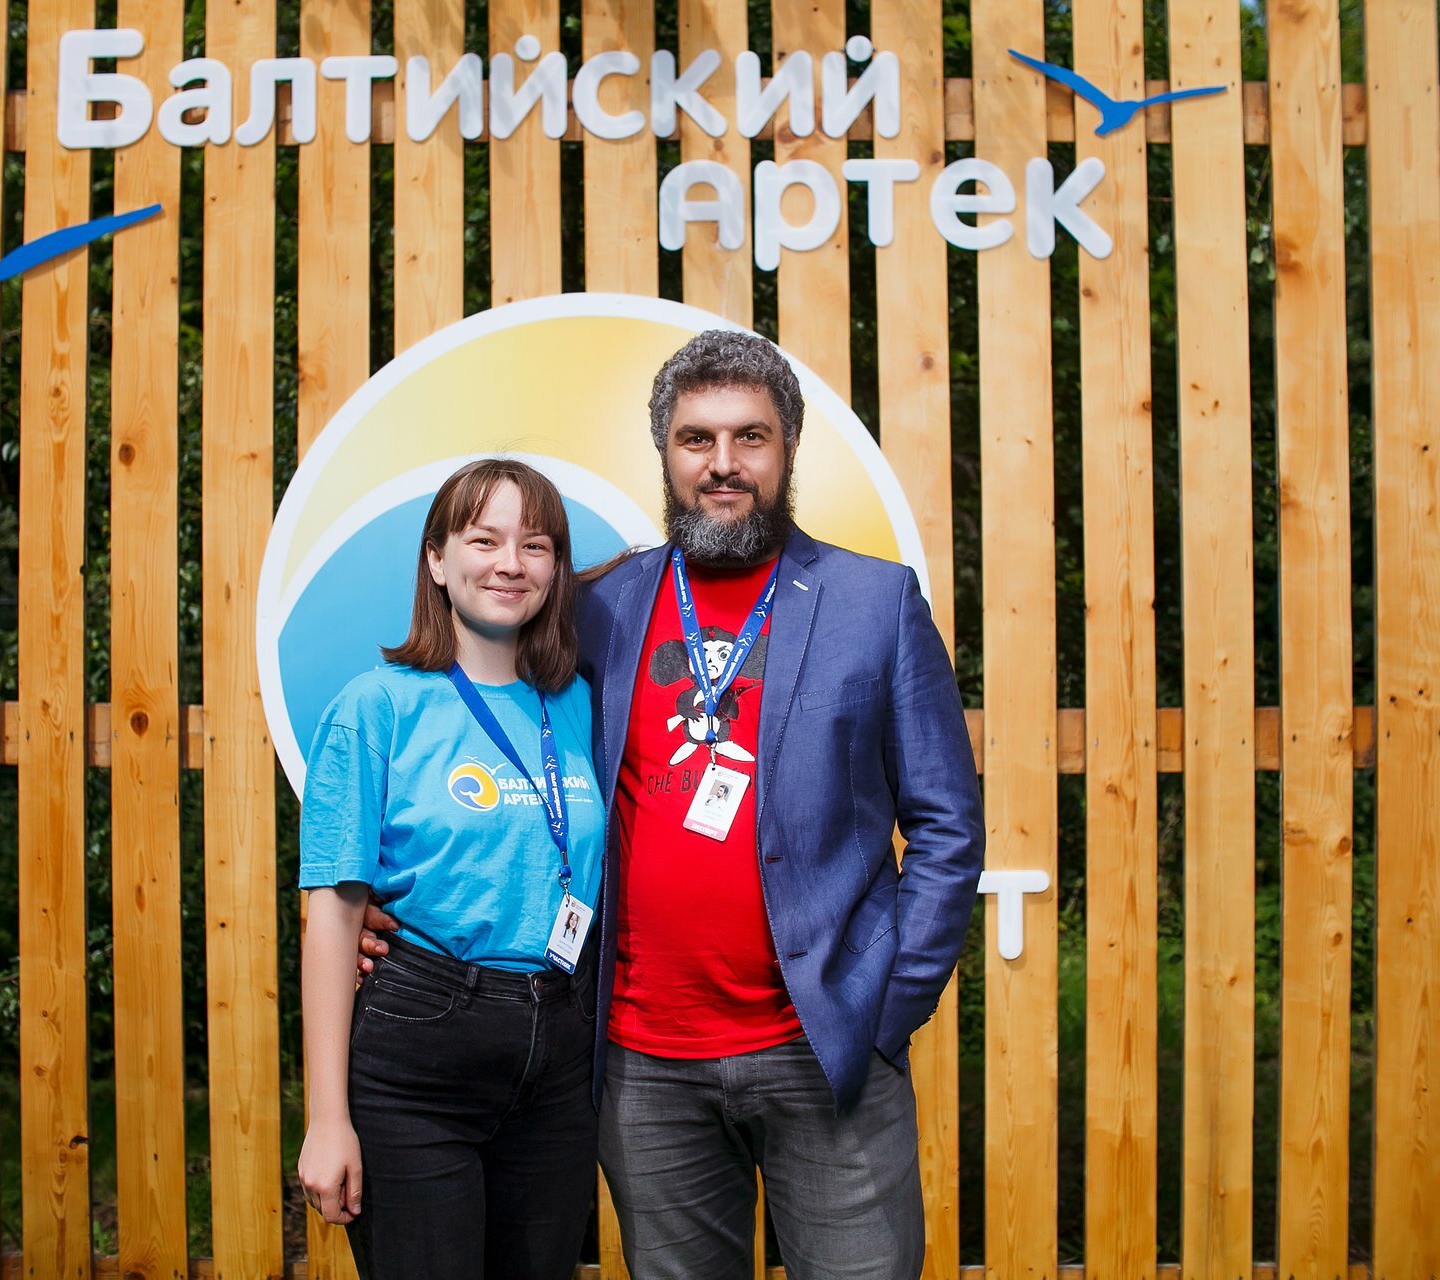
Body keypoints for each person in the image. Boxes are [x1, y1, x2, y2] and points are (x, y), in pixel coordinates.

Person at [366, 330, 984, 1279]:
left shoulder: (875, 602)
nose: (722, 463)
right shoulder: (599, 605)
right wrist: (380, 908)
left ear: (788, 450)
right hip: (643, 1061)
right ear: (665, 451)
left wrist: (887, 1007)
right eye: (698, 439)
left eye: (750, 437)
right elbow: (482, 747)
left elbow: (948, 823)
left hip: (826, 1046)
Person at [297, 458, 606, 1280]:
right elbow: (333, 917)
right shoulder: (377, 707)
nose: (511, 563)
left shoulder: (582, 703)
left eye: (535, 544)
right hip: (420, 1056)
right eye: (484, 540)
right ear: (436, 559)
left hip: (560, 1053)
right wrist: (327, 1119)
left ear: (556, 568)